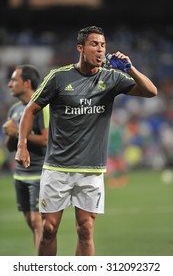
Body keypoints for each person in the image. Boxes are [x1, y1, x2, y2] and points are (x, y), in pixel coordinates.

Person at [15, 26, 157, 256]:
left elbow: (151, 91)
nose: (100, 50)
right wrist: (22, 145)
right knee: (49, 229)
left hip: (91, 170)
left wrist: (131, 68)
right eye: (94, 44)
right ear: (80, 48)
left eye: (103, 45)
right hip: (57, 168)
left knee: (86, 230)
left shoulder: (111, 78)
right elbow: (30, 110)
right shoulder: (58, 77)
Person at [3, 65, 49, 254]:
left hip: (39, 173)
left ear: (27, 83)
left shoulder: (40, 106)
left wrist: (19, 133)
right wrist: (12, 135)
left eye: (14, 80)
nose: (9, 84)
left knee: (39, 223)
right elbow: (10, 146)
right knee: (32, 223)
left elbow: (46, 140)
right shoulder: (14, 110)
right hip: (20, 175)